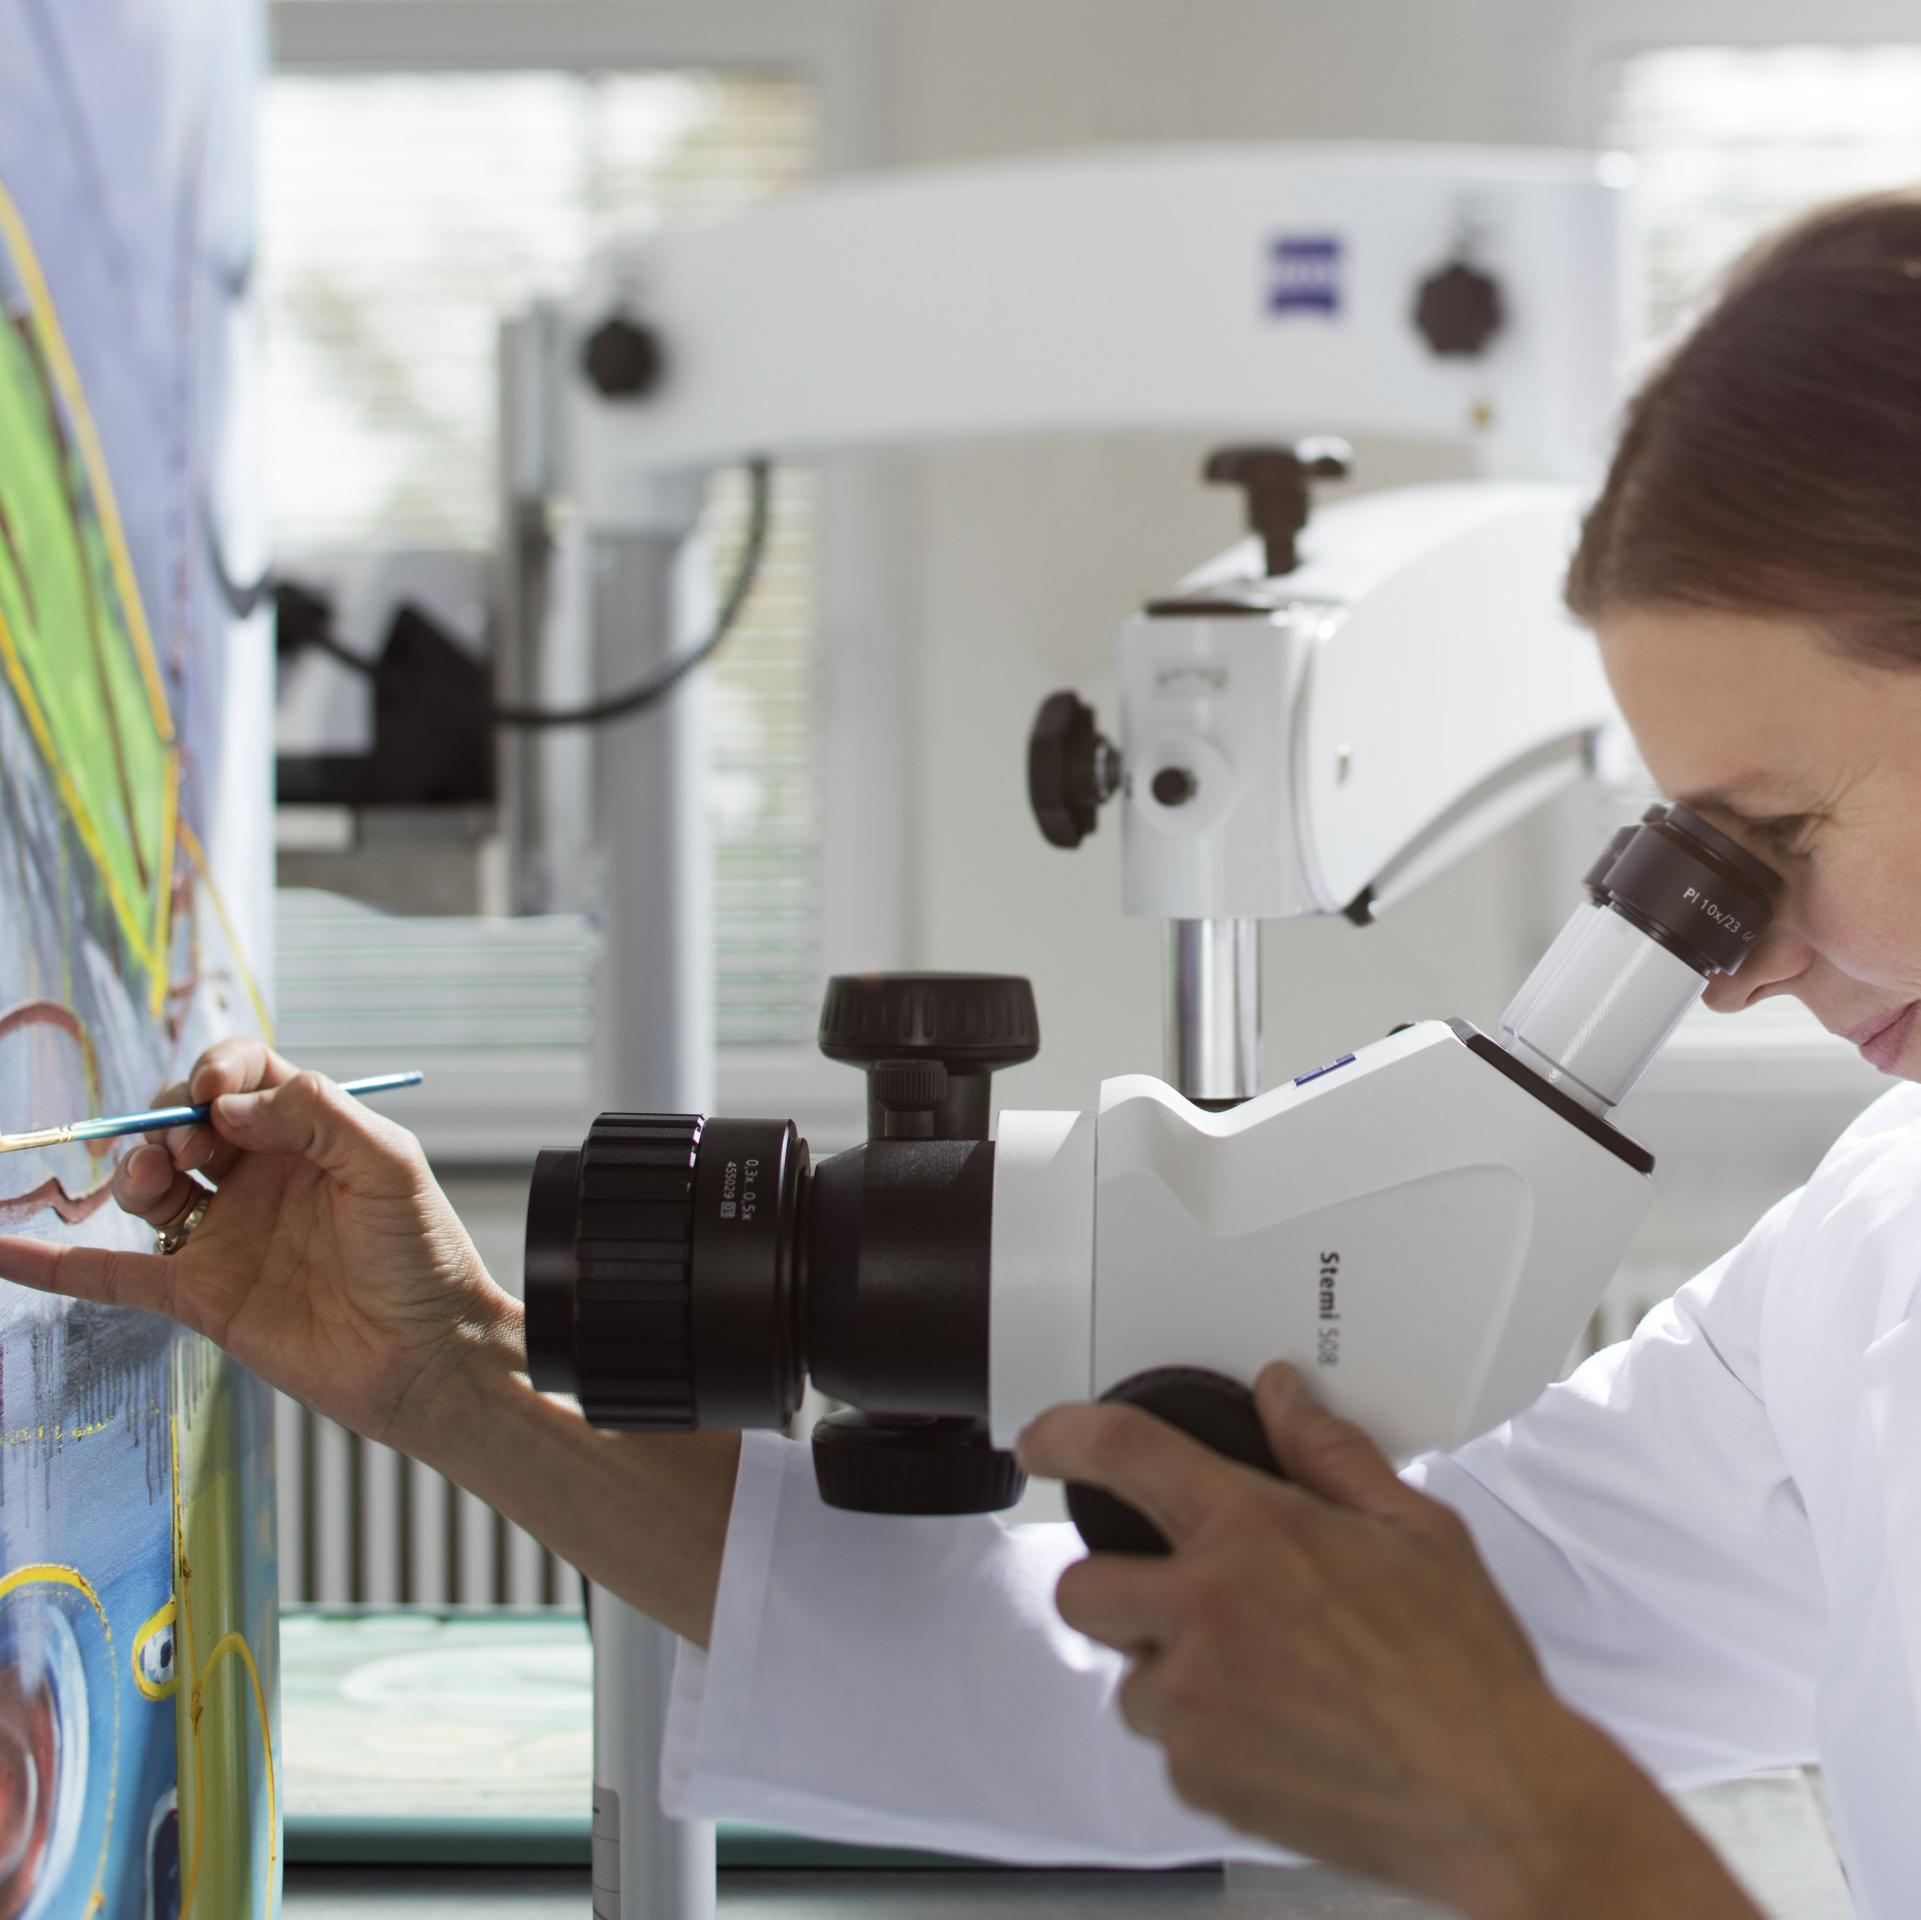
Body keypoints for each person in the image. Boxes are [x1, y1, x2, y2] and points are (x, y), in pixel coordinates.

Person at [6, 188, 1921, 1918]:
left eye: (1771, 841)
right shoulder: (1868, 1258)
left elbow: (1456, 1737)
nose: (1732, 972)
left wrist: (1516, 1802)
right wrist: (458, 1378)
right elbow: (1150, 1678)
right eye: (1692, 870)